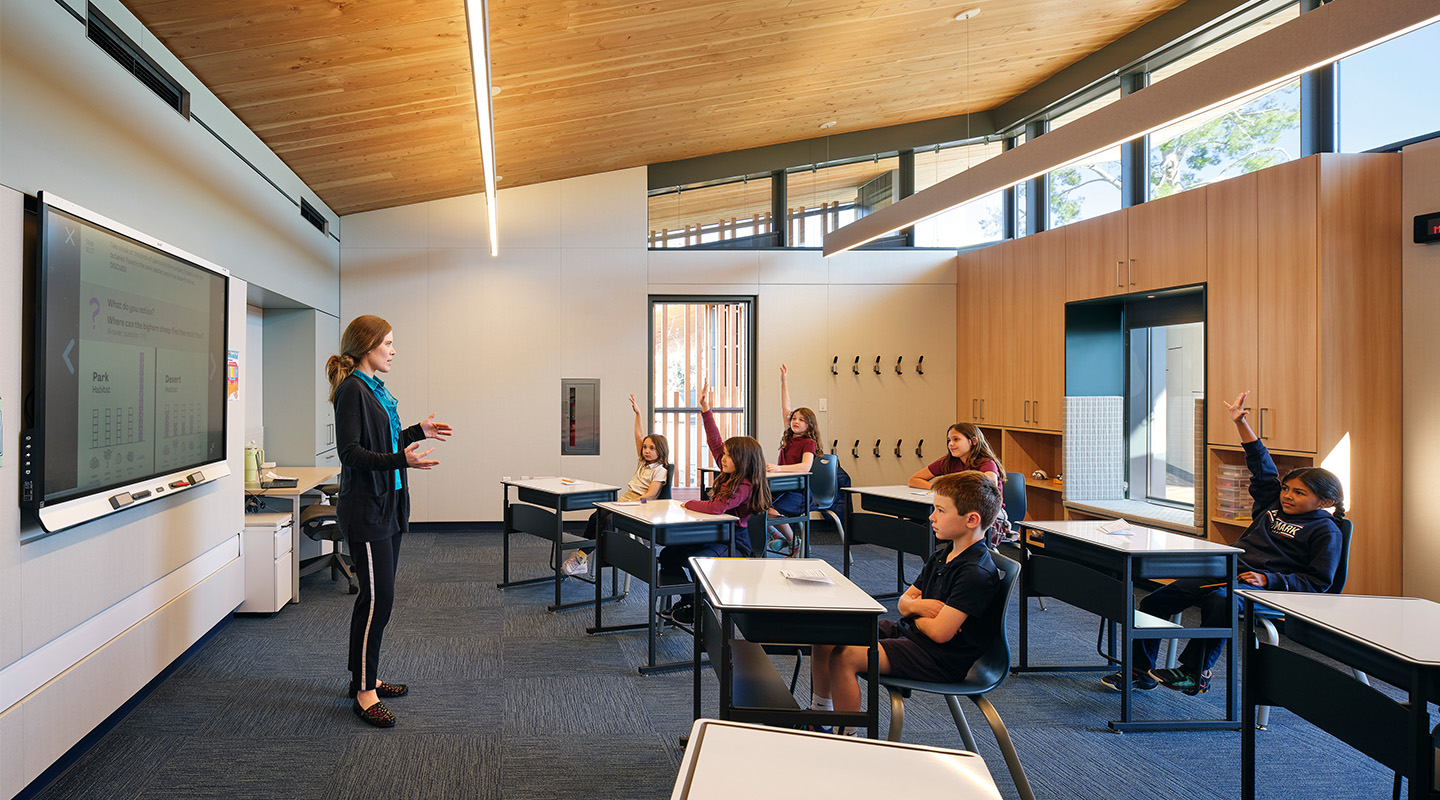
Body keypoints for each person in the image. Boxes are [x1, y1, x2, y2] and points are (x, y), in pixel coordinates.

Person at [1104, 390, 1345, 696]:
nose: (1287, 495)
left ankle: (1195, 672)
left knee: (1221, 600)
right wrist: (1240, 424)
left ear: (1325, 501)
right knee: (1155, 600)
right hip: (1231, 574)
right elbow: (1262, 465)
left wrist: (1268, 578)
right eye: (1287, 489)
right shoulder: (1271, 505)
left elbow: (1318, 582)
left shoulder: (1327, 531)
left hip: (1271, 590)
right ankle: (1140, 671)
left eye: (1299, 493)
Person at [326, 315, 452, 728]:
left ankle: (364, 677)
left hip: (388, 505)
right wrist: (403, 458)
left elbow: (382, 439)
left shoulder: (374, 390)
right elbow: (350, 453)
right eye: (389, 344)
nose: (394, 351)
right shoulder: (352, 391)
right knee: (378, 599)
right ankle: (365, 693)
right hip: (366, 510)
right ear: (367, 346)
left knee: (379, 598)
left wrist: (418, 429)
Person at [809, 471, 1004, 733]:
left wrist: (915, 613)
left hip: (940, 658)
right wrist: (919, 608)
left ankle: (846, 738)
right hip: (912, 635)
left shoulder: (975, 573)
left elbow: (939, 633)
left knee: (845, 657)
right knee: (827, 634)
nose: (931, 516)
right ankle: (819, 716)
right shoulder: (943, 555)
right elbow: (904, 602)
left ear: (971, 519)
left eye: (940, 510)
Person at [662, 378, 771, 624]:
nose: (723, 457)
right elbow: (715, 442)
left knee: (696, 563)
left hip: (734, 543)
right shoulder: (730, 472)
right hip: (715, 535)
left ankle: (700, 606)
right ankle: (690, 599)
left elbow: (717, 507)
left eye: (729, 455)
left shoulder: (744, 485)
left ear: (743, 461)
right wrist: (705, 410)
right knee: (669, 555)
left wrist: (688, 503)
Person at [561, 394, 669, 576]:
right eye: (645, 448)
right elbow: (638, 436)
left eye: (652, 448)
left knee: (609, 522)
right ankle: (583, 558)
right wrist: (638, 414)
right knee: (596, 517)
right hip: (624, 503)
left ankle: (581, 557)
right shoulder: (643, 463)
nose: (647, 451)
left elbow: (650, 495)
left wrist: (629, 504)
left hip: (640, 507)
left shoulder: (660, 470)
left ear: (661, 450)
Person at [907, 423, 1010, 543]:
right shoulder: (949, 461)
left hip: (987, 515)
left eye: (956, 439)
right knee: (923, 526)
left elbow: (987, 491)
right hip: (958, 511)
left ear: (973, 441)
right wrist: (941, 490)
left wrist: (952, 492)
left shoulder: (986, 463)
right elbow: (914, 480)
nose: (951, 444)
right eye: (949, 440)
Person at [765, 363, 822, 555]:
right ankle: (778, 536)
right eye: (794, 419)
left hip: (798, 492)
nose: (795, 421)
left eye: (801, 420)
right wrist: (784, 381)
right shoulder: (789, 437)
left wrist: (779, 469)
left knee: (771, 512)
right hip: (781, 486)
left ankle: (792, 541)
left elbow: (806, 467)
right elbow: (785, 407)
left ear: (809, 425)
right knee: (753, 507)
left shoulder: (808, 443)